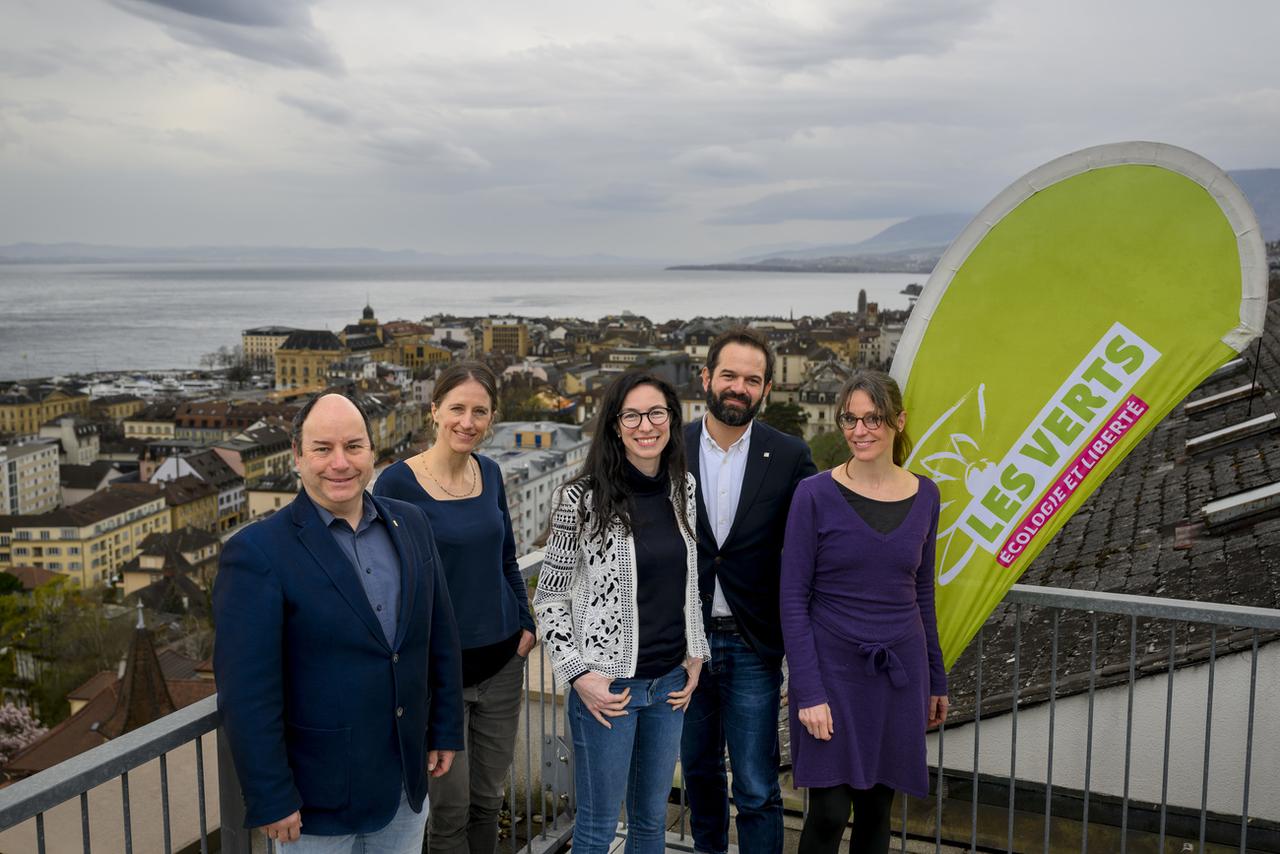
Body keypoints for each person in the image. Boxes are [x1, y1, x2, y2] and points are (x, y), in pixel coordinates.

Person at [213, 393, 464, 852]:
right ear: (298, 457)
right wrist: (271, 796)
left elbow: (439, 637)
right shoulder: (257, 553)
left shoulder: (411, 523)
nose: (340, 463)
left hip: (404, 784)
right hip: (315, 804)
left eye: (353, 446)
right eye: (322, 448)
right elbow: (247, 692)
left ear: (372, 452)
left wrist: (445, 728)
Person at [533, 371, 711, 854]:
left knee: (651, 823)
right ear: (615, 425)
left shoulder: (684, 489)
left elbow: (689, 580)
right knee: (595, 829)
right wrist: (578, 675)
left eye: (656, 413)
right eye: (631, 415)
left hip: (669, 687)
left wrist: (696, 653)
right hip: (608, 692)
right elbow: (549, 597)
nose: (645, 425)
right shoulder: (582, 498)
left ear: (672, 420)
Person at [779, 370, 949, 854]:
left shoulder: (927, 495)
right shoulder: (813, 495)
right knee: (829, 812)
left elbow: (922, 593)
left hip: (899, 675)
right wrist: (807, 689)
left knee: (877, 812)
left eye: (872, 418)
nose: (859, 430)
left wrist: (936, 679)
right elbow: (793, 597)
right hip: (831, 674)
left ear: (898, 420)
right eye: (849, 419)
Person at [373, 362, 536, 854]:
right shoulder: (396, 485)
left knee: (489, 801)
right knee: (448, 811)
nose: (468, 421)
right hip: (439, 677)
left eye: (479, 412)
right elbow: (386, 585)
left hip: (503, 665)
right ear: (435, 411)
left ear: (491, 418)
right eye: (458, 409)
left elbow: (506, 555)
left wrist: (526, 623)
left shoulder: (489, 471)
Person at [681, 328, 816, 854]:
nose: (739, 387)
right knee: (699, 774)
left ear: (766, 390)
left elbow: (814, 546)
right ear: (707, 378)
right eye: (730, 375)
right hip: (682, 644)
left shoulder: (790, 455)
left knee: (757, 786)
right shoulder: (671, 447)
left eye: (752, 379)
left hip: (753, 643)